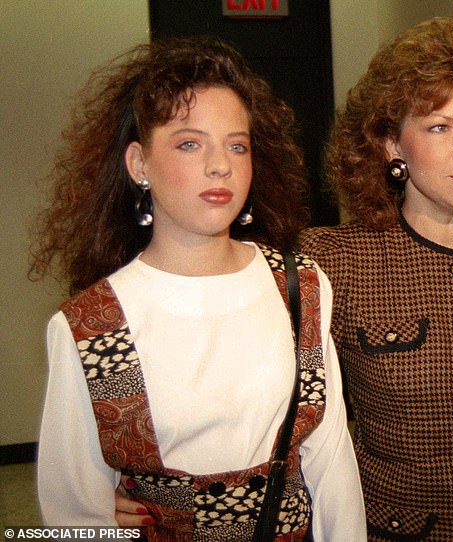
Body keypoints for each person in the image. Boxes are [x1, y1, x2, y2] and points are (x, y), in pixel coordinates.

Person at [114, 17, 453, 541]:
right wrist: (157, 485)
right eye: (438, 127)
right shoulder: (337, 259)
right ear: (391, 146)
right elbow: (270, 404)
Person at [30, 36, 365, 541]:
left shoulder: (300, 287)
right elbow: (76, 517)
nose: (220, 165)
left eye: (237, 145)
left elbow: (331, 458)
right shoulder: (92, 326)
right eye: (190, 143)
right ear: (139, 164)